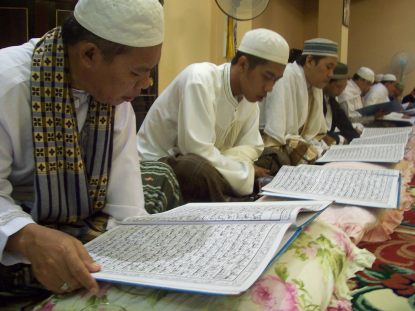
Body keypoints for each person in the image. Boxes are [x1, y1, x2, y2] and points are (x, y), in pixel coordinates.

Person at [0, 0, 164, 296]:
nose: (147, 83)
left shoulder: (117, 100)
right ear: (89, 54)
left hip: (80, 219)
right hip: (18, 221)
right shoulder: (8, 82)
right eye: (137, 72)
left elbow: (125, 208)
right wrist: (25, 237)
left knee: (160, 178)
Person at [137, 28, 289, 202]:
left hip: (213, 163)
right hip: (161, 166)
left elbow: (252, 147)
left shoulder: (250, 98)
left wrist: (238, 166)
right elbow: (196, 151)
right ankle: (235, 203)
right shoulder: (199, 80)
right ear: (243, 64)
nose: (269, 88)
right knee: (195, 169)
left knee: (275, 156)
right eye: (267, 77)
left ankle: (236, 193)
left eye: (275, 80)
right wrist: (244, 171)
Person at [257, 38, 338, 175]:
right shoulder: (285, 77)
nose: (331, 74)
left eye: (333, 69)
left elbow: (316, 133)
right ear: (310, 61)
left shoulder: (315, 85)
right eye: (328, 67)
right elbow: (275, 139)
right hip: (268, 146)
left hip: (292, 145)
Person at [323, 62, 360, 144]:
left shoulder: (332, 100)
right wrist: (339, 139)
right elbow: (317, 131)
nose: (341, 91)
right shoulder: (317, 98)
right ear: (327, 82)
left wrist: (356, 139)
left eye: (344, 87)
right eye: (338, 86)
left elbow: (343, 122)